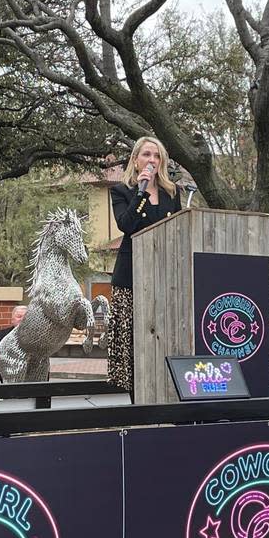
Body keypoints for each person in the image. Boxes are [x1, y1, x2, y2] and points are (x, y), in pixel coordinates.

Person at [106, 137, 182, 394]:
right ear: (136, 160)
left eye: (157, 155)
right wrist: (141, 192)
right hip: (132, 279)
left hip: (165, 277)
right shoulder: (122, 191)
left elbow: (178, 231)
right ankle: (136, 403)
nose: (152, 160)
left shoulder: (173, 192)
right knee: (134, 346)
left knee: (164, 340)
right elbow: (126, 225)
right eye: (147, 155)